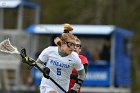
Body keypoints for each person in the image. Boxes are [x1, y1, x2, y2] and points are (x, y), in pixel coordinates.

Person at [21, 23, 86, 93]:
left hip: (63, 88)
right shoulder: (49, 51)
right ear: (62, 43)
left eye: (74, 45)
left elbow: (82, 74)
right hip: (48, 85)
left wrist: (75, 89)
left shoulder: (74, 57)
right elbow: (38, 64)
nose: (73, 48)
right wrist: (44, 69)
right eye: (70, 44)